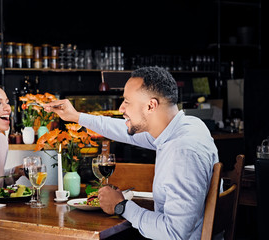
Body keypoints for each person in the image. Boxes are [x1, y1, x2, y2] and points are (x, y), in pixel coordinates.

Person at [44, 66, 219, 239]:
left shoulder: (182, 152)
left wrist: (121, 206)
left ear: (151, 106)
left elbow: (174, 233)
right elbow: (123, 131)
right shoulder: (188, 126)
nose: (121, 108)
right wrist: (76, 117)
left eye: (127, 101)